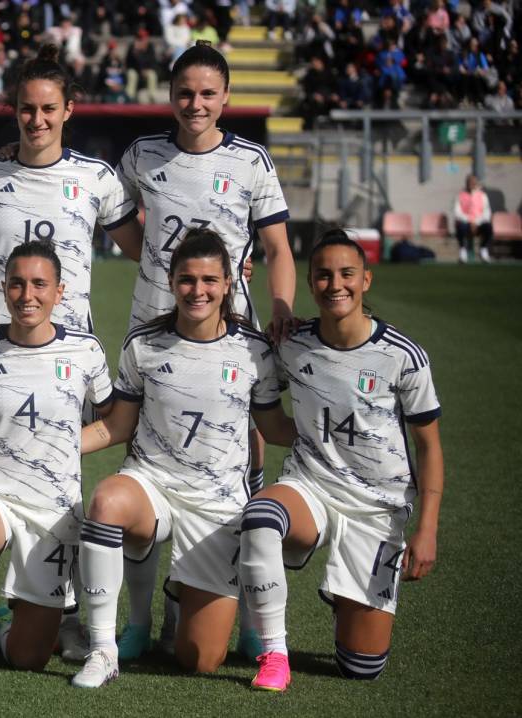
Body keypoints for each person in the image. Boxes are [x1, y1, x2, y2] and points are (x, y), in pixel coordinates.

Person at [115, 41, 296, 658]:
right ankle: (138, 620)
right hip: (154, 325)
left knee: (241, 453)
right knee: (144, 451)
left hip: (229, 328)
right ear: (170, 95)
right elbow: (109, 211)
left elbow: (277, 247)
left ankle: (248, 615)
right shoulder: (142, 154)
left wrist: (279, 308)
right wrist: (153, 265)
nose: (195, 104)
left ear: (225, 98)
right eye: (185, 93)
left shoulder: (250, 161)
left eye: (207, 94)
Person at [69, 229, 296, 688]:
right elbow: (117, 426)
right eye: (187, 279)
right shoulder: (143, 343)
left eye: (209, 280)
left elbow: (273, 429)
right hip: (151, 482)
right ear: (171, 282)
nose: (198, 290)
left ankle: (184, 594)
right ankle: (104, 649)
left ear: (229, 283)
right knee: (107, 501)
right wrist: (53, 442)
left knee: (199, 659)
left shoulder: (253, 350)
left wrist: (340, 443)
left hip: (217, 503)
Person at [239, 231, 444, 691]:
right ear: (310, 283)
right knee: (260, 517)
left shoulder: (403, 357)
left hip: (376, 507)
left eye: (347, 274)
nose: (336, 285)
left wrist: (427, 529)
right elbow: (268, 416)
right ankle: (274, 654)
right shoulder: (292, 344)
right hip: (311, 486)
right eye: (324, 275)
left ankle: (345, 596)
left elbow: (429, 447)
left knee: (360, 668)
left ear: (366, 280)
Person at [0, 241, 114, 689]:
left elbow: (115, 420)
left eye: (40, 284)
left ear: (60, 292)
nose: (27, 295)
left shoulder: (85, 351)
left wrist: (64, 444)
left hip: (51, 512)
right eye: (17, 284)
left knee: (29, 657)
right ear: (3, 288)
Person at [0, 43, 141, 334]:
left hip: (69, 343)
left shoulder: (96, 177)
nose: (37, 120)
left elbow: (144, 251)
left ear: (68, 109)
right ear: (15, 110)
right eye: (27, 109)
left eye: (49, 109)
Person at [452, 174, 493, 263]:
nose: (472, 184)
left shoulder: (483, 195)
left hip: (479, 224)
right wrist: (470, 221)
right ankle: (463, 251)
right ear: (466, 183)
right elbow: (457, 213)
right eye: (470, 182)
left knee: (488, 227)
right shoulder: (460, 195)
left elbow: (487, 213)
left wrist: (476, 222)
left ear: (476, 183)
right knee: (459, 226)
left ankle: (483, 249)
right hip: (466, 224)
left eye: (473, 182)